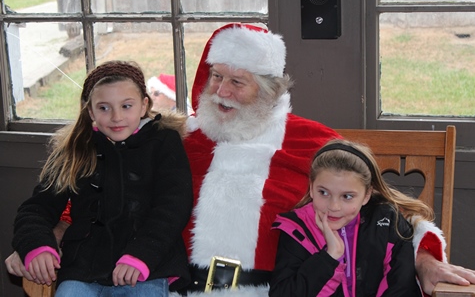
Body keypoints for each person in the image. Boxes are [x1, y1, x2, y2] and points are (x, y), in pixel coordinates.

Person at [6, 24, 475, 296]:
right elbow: (93, 202)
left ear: (268, 90)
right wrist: (38, 241)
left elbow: (386, 209)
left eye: (238, 82)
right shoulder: (173, 141)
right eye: (216, 77)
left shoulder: (313, 144)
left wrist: (426, 262)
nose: (221, 92)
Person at [8, 60, 193, 296]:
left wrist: (142, 255)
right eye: (104, 108)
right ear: (90, 111)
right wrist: (36, 245)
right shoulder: (75, 148)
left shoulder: (163, 141)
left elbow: (173, 206)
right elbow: (36, 208)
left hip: (146, 268)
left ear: (144, 104)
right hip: (82, 269)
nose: (116, 117)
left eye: (126, 106)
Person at [270, 139, 431, 296]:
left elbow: (401, 287)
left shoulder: (387, 222)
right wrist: (329, 258)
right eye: (323, 193)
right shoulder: (296, 228)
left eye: (347, 196)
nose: (334, 206)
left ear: (367, 195)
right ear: (311, 188)